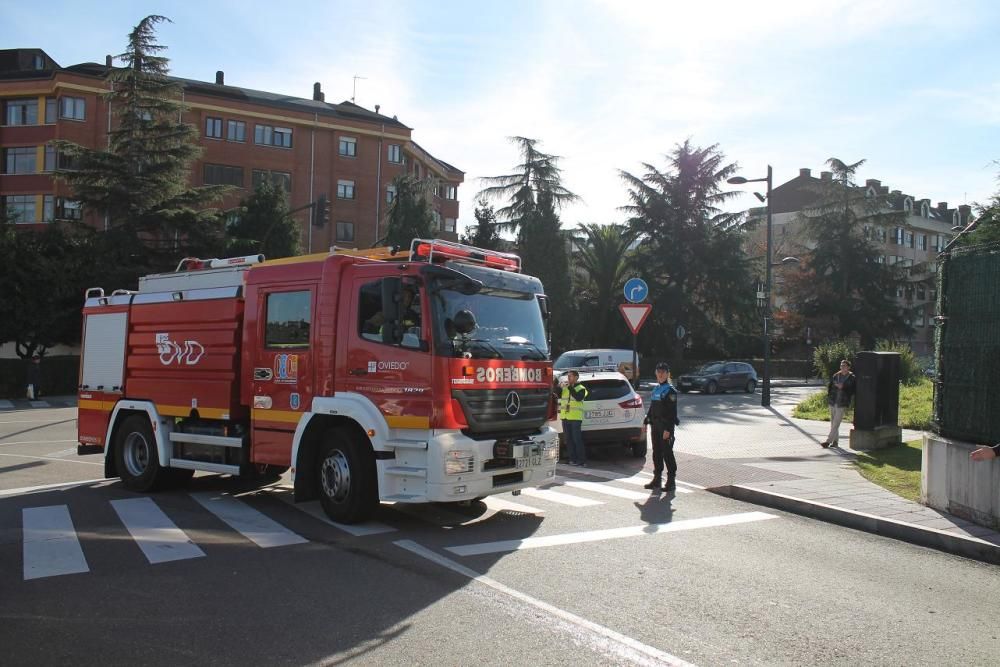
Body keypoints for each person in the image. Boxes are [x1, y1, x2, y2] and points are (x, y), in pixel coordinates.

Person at [644, 361, 680, 492]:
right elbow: (652, 408)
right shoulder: (656, 389)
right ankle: (657, 479)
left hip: (665, 427)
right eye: (658, 372)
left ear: (667, 374)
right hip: (655, 426)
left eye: (663, 372)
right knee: (656, 453)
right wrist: (646, 421)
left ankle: (671, 481)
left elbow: (672, 413)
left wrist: (668, 430)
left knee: (667, 453)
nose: (660, 374)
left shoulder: (670, 391)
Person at [822, 359, 856, 448]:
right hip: (833, 402)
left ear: (848, 367)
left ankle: (828, 441)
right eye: (841, 365)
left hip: (842, 403)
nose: (842, 367)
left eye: (844, 366)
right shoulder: (836, 375)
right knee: (833, 423)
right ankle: (835, 442)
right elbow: (830, 386)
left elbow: (851, 388)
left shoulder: (852, 377)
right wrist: (829, 397)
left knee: (836, 423)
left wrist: (843, 386)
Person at [559, 370, 589, 466]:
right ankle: (572, 459)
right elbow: (557, 394)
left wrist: (570, 388)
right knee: (568, 440)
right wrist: (558, 386)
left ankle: (581, 460)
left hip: (575, 418)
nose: (568, 378)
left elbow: (578, 398)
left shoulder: (581, 388)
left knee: (577, 440)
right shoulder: (565, 388)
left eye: (570, 376)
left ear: (576, 377)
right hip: (565, 417)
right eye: (568, 376)